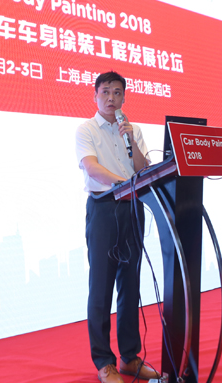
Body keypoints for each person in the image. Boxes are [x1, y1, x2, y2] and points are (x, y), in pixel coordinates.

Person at [76, 71, 161, 383]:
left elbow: (142, 167)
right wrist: (124, 184)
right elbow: (91, 167)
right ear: (95, 96)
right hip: (103, 208)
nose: (111, 98)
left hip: (132, 209)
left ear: (124, 97)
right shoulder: (86, 129)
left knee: (130, 284)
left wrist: (131, 140)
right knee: (101, 287)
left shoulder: (133, 130)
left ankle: (129, 357)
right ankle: (103, 362)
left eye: (117, 92)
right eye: (105, 92)